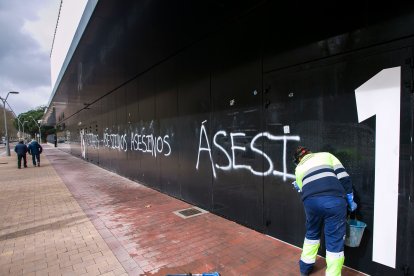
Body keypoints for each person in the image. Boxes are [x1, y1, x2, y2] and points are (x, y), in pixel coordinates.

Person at [292, 146, 358, 276]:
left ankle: (305, 268)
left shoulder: (299, 168)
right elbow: (344, 177)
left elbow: (301, 189)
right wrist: (350, 198)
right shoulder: (326, 155)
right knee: (334, 241)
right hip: (334, 201)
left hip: (311, 203)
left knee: (311, 234)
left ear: (299, 158)